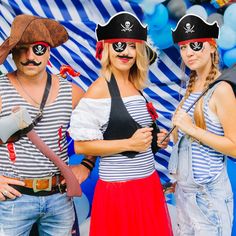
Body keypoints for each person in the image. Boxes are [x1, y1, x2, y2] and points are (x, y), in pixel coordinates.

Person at [68, 12, 173, 236]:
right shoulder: (99, 89)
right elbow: (82, 146)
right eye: (118, 45)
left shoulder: (135, 87)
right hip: (119, 191)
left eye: (132, 46)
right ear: (106, 49)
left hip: (147, 185)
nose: (125, 52)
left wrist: (156, 140)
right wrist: (130, 143)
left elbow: (130, 133)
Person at [0, 14, 93, 236]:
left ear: (49, 50)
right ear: (12, 52)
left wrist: (87, 165)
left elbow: (102, 127)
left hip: (59, 199)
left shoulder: (72, 92)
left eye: (38, 49)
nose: (30, 56)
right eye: (22, 48)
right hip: (13, 201)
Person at [169, 14, 236, 235]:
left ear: (212, 47)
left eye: (196, 45)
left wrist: (191, 129)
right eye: (183, 47)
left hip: (208, 198)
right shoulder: (191, 88)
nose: (188, 53)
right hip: (184, 195)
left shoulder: (222, 89)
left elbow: (234, 146)